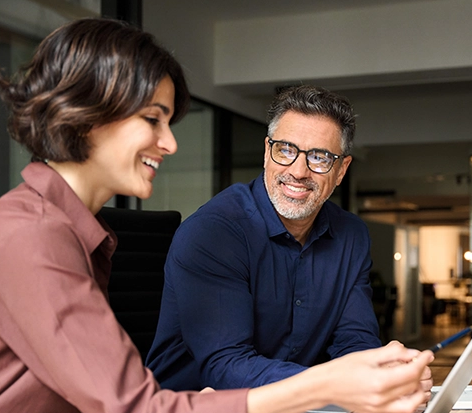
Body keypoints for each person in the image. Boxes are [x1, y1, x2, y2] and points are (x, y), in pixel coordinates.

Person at [0, 18, 434, 413]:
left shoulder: (74, 229)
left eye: (168, 122)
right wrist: (326, 385)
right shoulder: (32, 236)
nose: (169, 143)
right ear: (86, 117)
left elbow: (126, 411)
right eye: (153, 119)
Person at [146, 85, 432, 393]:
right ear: (267, 152)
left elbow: (354, 340)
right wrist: (338, 383)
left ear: (341, 170)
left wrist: (383, 372)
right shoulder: (214, 232)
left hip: (301, 410)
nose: (297, 171)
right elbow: (226, 368)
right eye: (285, 150)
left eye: (320, 157)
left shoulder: (351, 236)